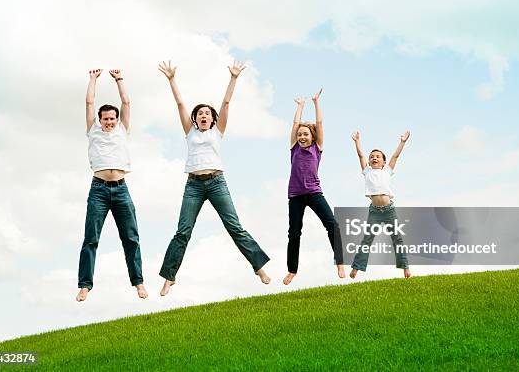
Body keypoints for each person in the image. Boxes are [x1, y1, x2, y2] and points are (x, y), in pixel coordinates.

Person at [157, 60, 271, 296]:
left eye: (207, 113)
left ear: (212, 118)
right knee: (183, 231)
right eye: (200, 114)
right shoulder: (190, 132)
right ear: (195, 119)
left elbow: (226, 102)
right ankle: (169, 277)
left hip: (217, 183)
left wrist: (234, 78)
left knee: (234, 227)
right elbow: (180, 104)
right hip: (194, 186)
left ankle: (259, 267)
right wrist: (171, 80)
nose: (204, 116)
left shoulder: (218, 131)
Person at [76, 69, 148, 302]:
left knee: (131, 237)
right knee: (91, 239)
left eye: (112, 119)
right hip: (98, 189)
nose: (109, 122)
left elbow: (126, 102)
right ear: (100, 119)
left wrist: (119, 80)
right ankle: (85, 285)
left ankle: (138, 282)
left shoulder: (122, 130)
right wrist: (93, 80)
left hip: (121, 189)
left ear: (117, 120)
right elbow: (89, 102)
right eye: (105, 118)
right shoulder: (93, 130)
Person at [283, 88, 345, 285]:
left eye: (305, 134)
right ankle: (292, 270)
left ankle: (340, 262)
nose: (302, 136)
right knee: (294, 232)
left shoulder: (316, 149)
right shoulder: (294, 148)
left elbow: (319, 123)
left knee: (332, 225)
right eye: (300, 134)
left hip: (314, 193)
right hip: (295, 195)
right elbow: (295, 124)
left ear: (312, 137)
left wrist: (316, 103)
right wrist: (300, 107)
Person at [349, 130, 412, 279]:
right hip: (375, 211)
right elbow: (361, 156)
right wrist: (357, 142)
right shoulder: (367, 172)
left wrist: (402, 142)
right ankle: (356, 268)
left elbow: (395, 156)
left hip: (389, 210)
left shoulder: (387, 171)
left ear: (384, 162)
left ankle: (405, 268)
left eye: (378, 157)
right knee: (367, 239)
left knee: (397, 237)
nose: (374, 158)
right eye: (372, 157)